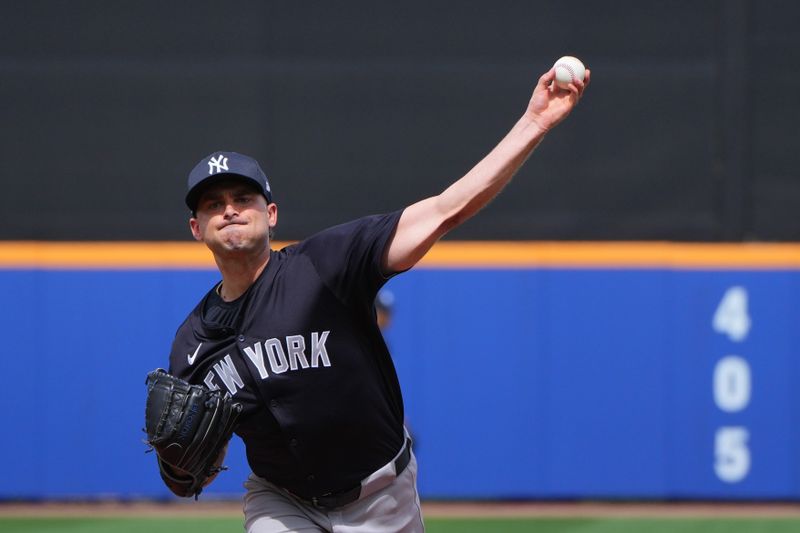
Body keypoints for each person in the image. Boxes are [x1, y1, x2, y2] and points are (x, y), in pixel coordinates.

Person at [164, 64, 589, 532]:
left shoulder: (326, 264)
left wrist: (535, 123)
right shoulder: (193, 341)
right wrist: (179, 464)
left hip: (380, 496)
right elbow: (188, 474)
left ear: (271, 213)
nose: (228, 209)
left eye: (242, 198)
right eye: (211, 204)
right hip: (280, 500)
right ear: (196, 228)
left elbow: (445, 209)